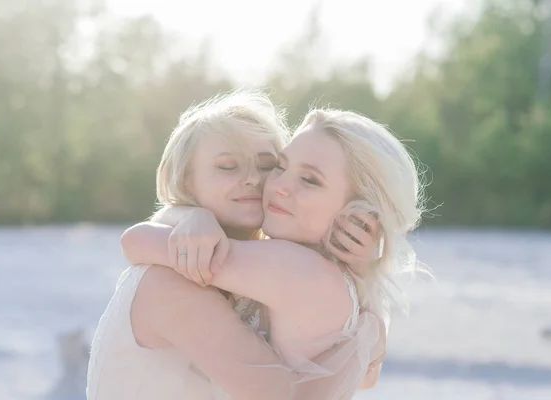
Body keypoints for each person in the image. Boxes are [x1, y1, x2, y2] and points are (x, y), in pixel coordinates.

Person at [86, 90, 384, 400]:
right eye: (228, 166)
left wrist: (359, 273)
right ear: (187, 181)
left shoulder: (262, 268)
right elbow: (278, 393)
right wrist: (367, 330)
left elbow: (362, 375)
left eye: (268, 165)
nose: (253, 179)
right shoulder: (169, 281)